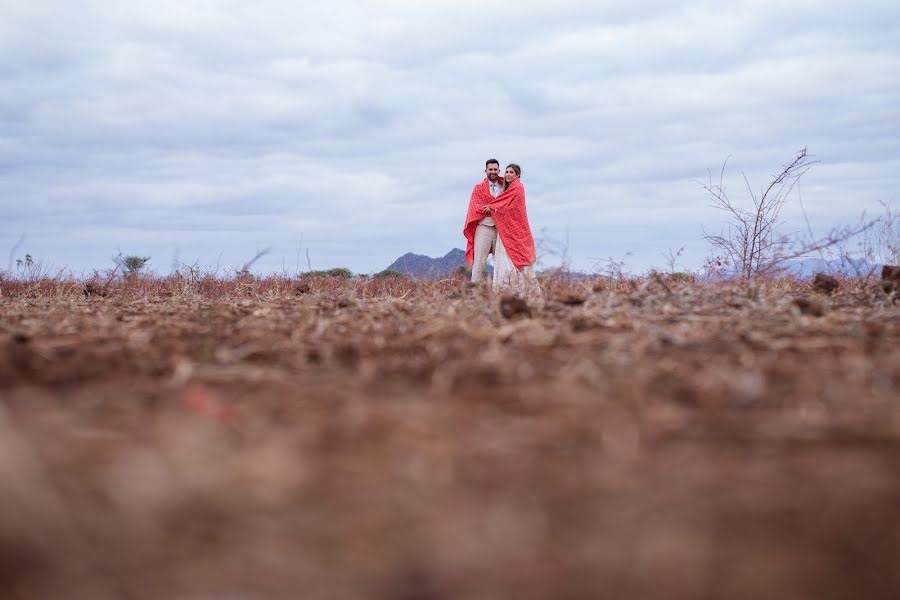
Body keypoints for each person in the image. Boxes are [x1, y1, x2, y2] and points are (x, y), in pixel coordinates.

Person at [482, 164, 540, 296]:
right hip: (506, 231)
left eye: (511, 172)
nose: (507, 174)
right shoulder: (508, 190)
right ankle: (507, 291)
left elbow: (509, 206)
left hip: (516, 230)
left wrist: (492, 206)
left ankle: (521, 291)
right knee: (504, 259)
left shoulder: (518, 188)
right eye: (506, 172)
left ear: (517, 175)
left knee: (517, 259)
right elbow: (504, 202)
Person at [463, 159, 503, 283]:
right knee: (479, 260)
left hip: (501, 228)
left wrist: (492, 207)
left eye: (495, 169)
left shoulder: (506, 187)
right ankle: (474, 290)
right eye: (490, 169)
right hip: (484, 226)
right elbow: (476, 207)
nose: (493, 172)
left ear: (499, 171)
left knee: (501, 261)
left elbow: (509, 205)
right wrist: (495, 208)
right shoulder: (479, 188)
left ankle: (501, 288)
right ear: (485, 171)